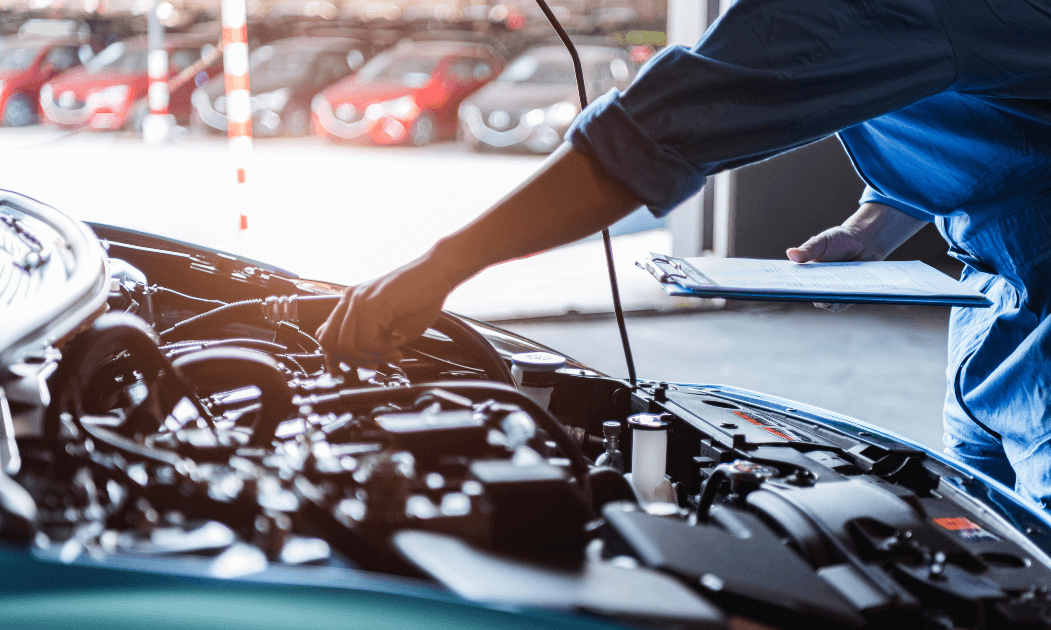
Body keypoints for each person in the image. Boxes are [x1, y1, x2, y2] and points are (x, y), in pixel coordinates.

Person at [319, 0, 1051, 507]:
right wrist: (872, 227)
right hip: (991, 305)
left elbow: (642, 143)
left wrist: (440, 268)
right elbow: (997, 113)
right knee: (990, 555)